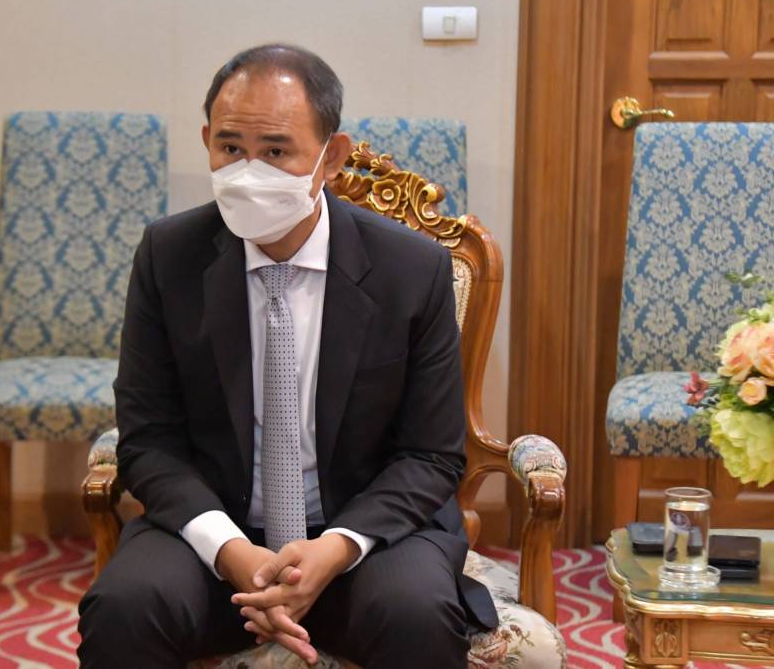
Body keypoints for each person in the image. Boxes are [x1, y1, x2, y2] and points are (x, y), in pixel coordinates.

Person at [77, 43, 497, 668]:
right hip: (219, 537)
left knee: (415, 612)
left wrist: (335, 547)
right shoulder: (169, 256)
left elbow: (431, 454)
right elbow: (149, 439)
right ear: (206, 141)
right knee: (125, 606)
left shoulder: (412, 269)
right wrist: (231, 551)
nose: (249, 172)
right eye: (230, 148)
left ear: (333, 156)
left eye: (275, 152)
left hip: (363, 540)